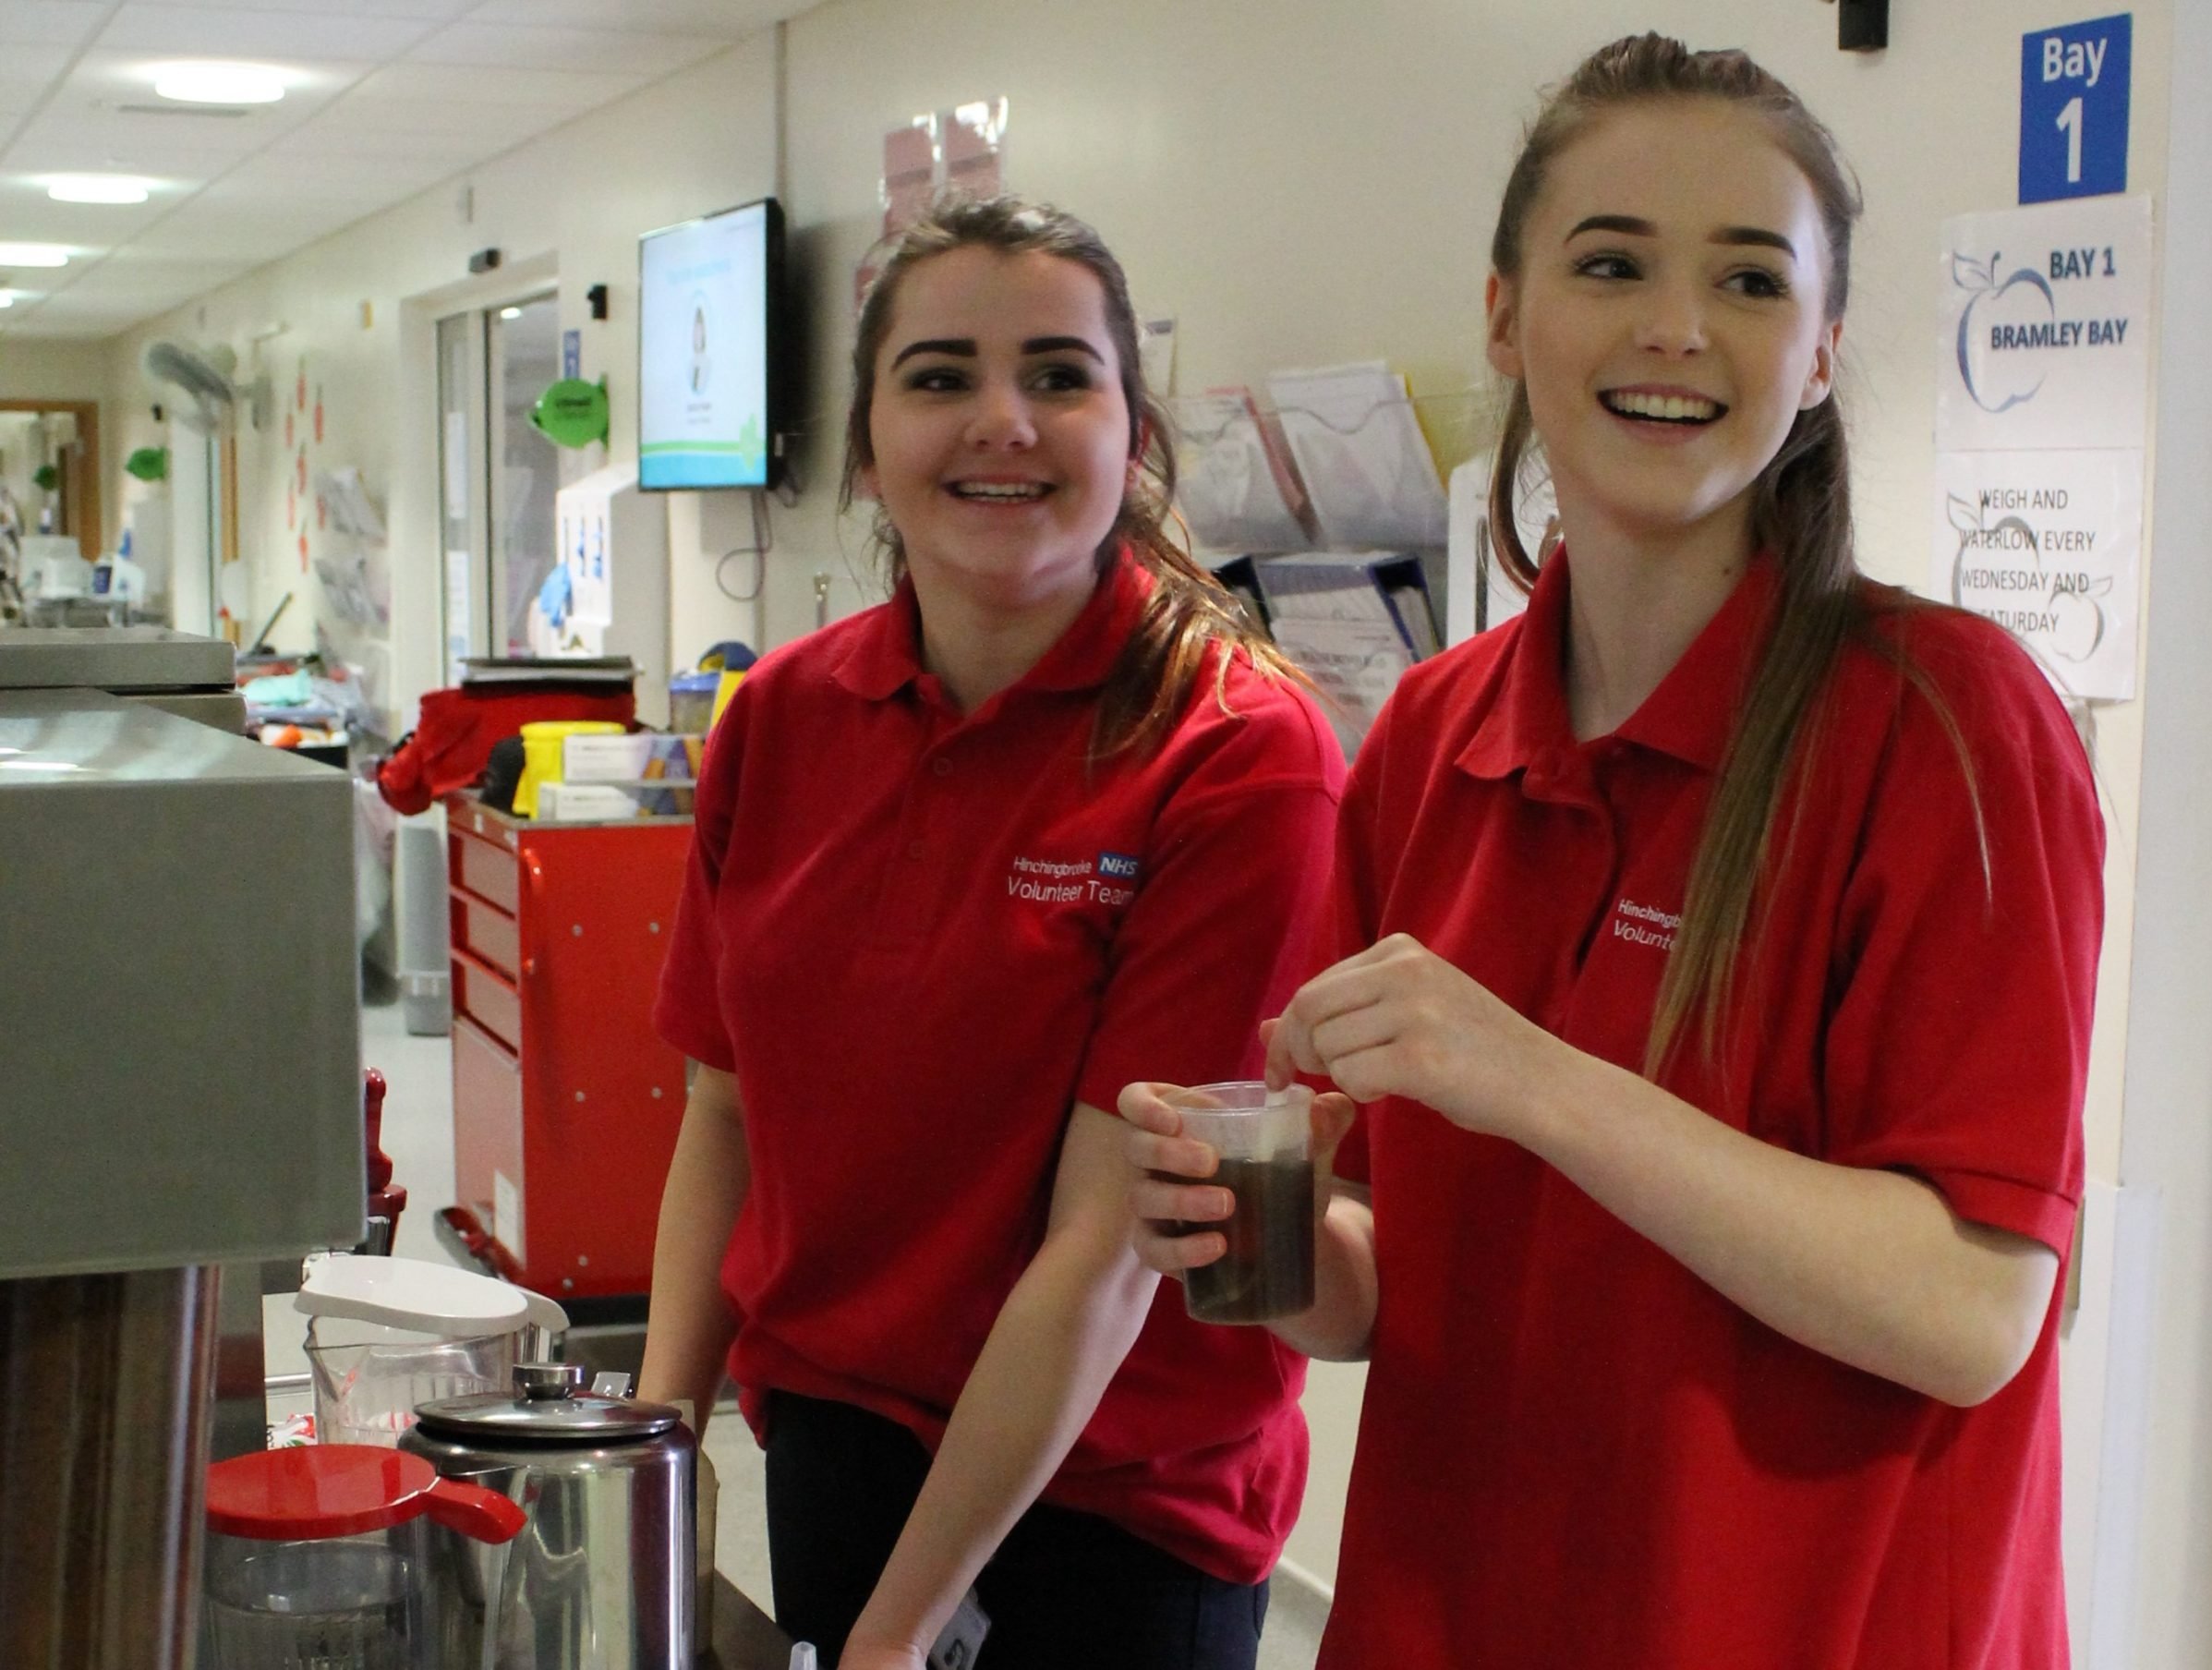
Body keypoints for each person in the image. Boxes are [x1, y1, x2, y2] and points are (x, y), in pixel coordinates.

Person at [1123, 35, 2104, 1669]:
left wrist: (1534, 1079)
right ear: (1505, 314)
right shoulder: (1433, 740)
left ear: (1820, 352)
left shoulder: (1945, 728)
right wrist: (1258, 1245)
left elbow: (1969, 1313)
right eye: (1612, 263)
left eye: (1747, 279)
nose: (1675, 326)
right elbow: (1377, 1271)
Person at [641, 196, 1344, 1669]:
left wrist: (898, 1640)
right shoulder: (780, 717)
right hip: (834, 1443)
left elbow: (1109, 1253)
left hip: (1115, 1502)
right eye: (943, 375)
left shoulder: (1234, 753)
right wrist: (650, 1458)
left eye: (1059, 376)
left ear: (1133, 433)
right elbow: (723, 1114)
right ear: (867, 440)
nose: (1001, 423)